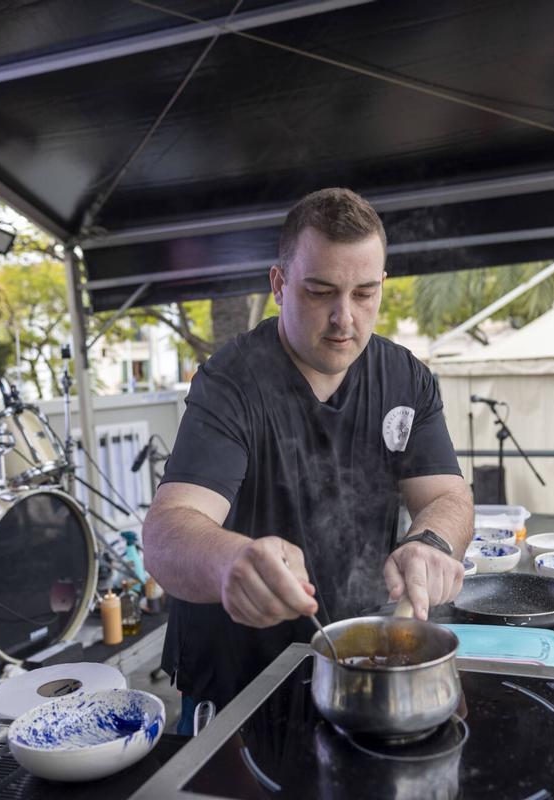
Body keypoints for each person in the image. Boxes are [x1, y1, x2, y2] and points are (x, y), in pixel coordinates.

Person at [141, 188, 472, 731]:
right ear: (279, 285)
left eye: (365, 293)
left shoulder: (406, 378)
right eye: (320, 292)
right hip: (237, 686)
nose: (345, 318)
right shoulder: (230, 383)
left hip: (362, 667)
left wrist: (431, 544)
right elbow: (165, 531)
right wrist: (229, 562)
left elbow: (446, 495)